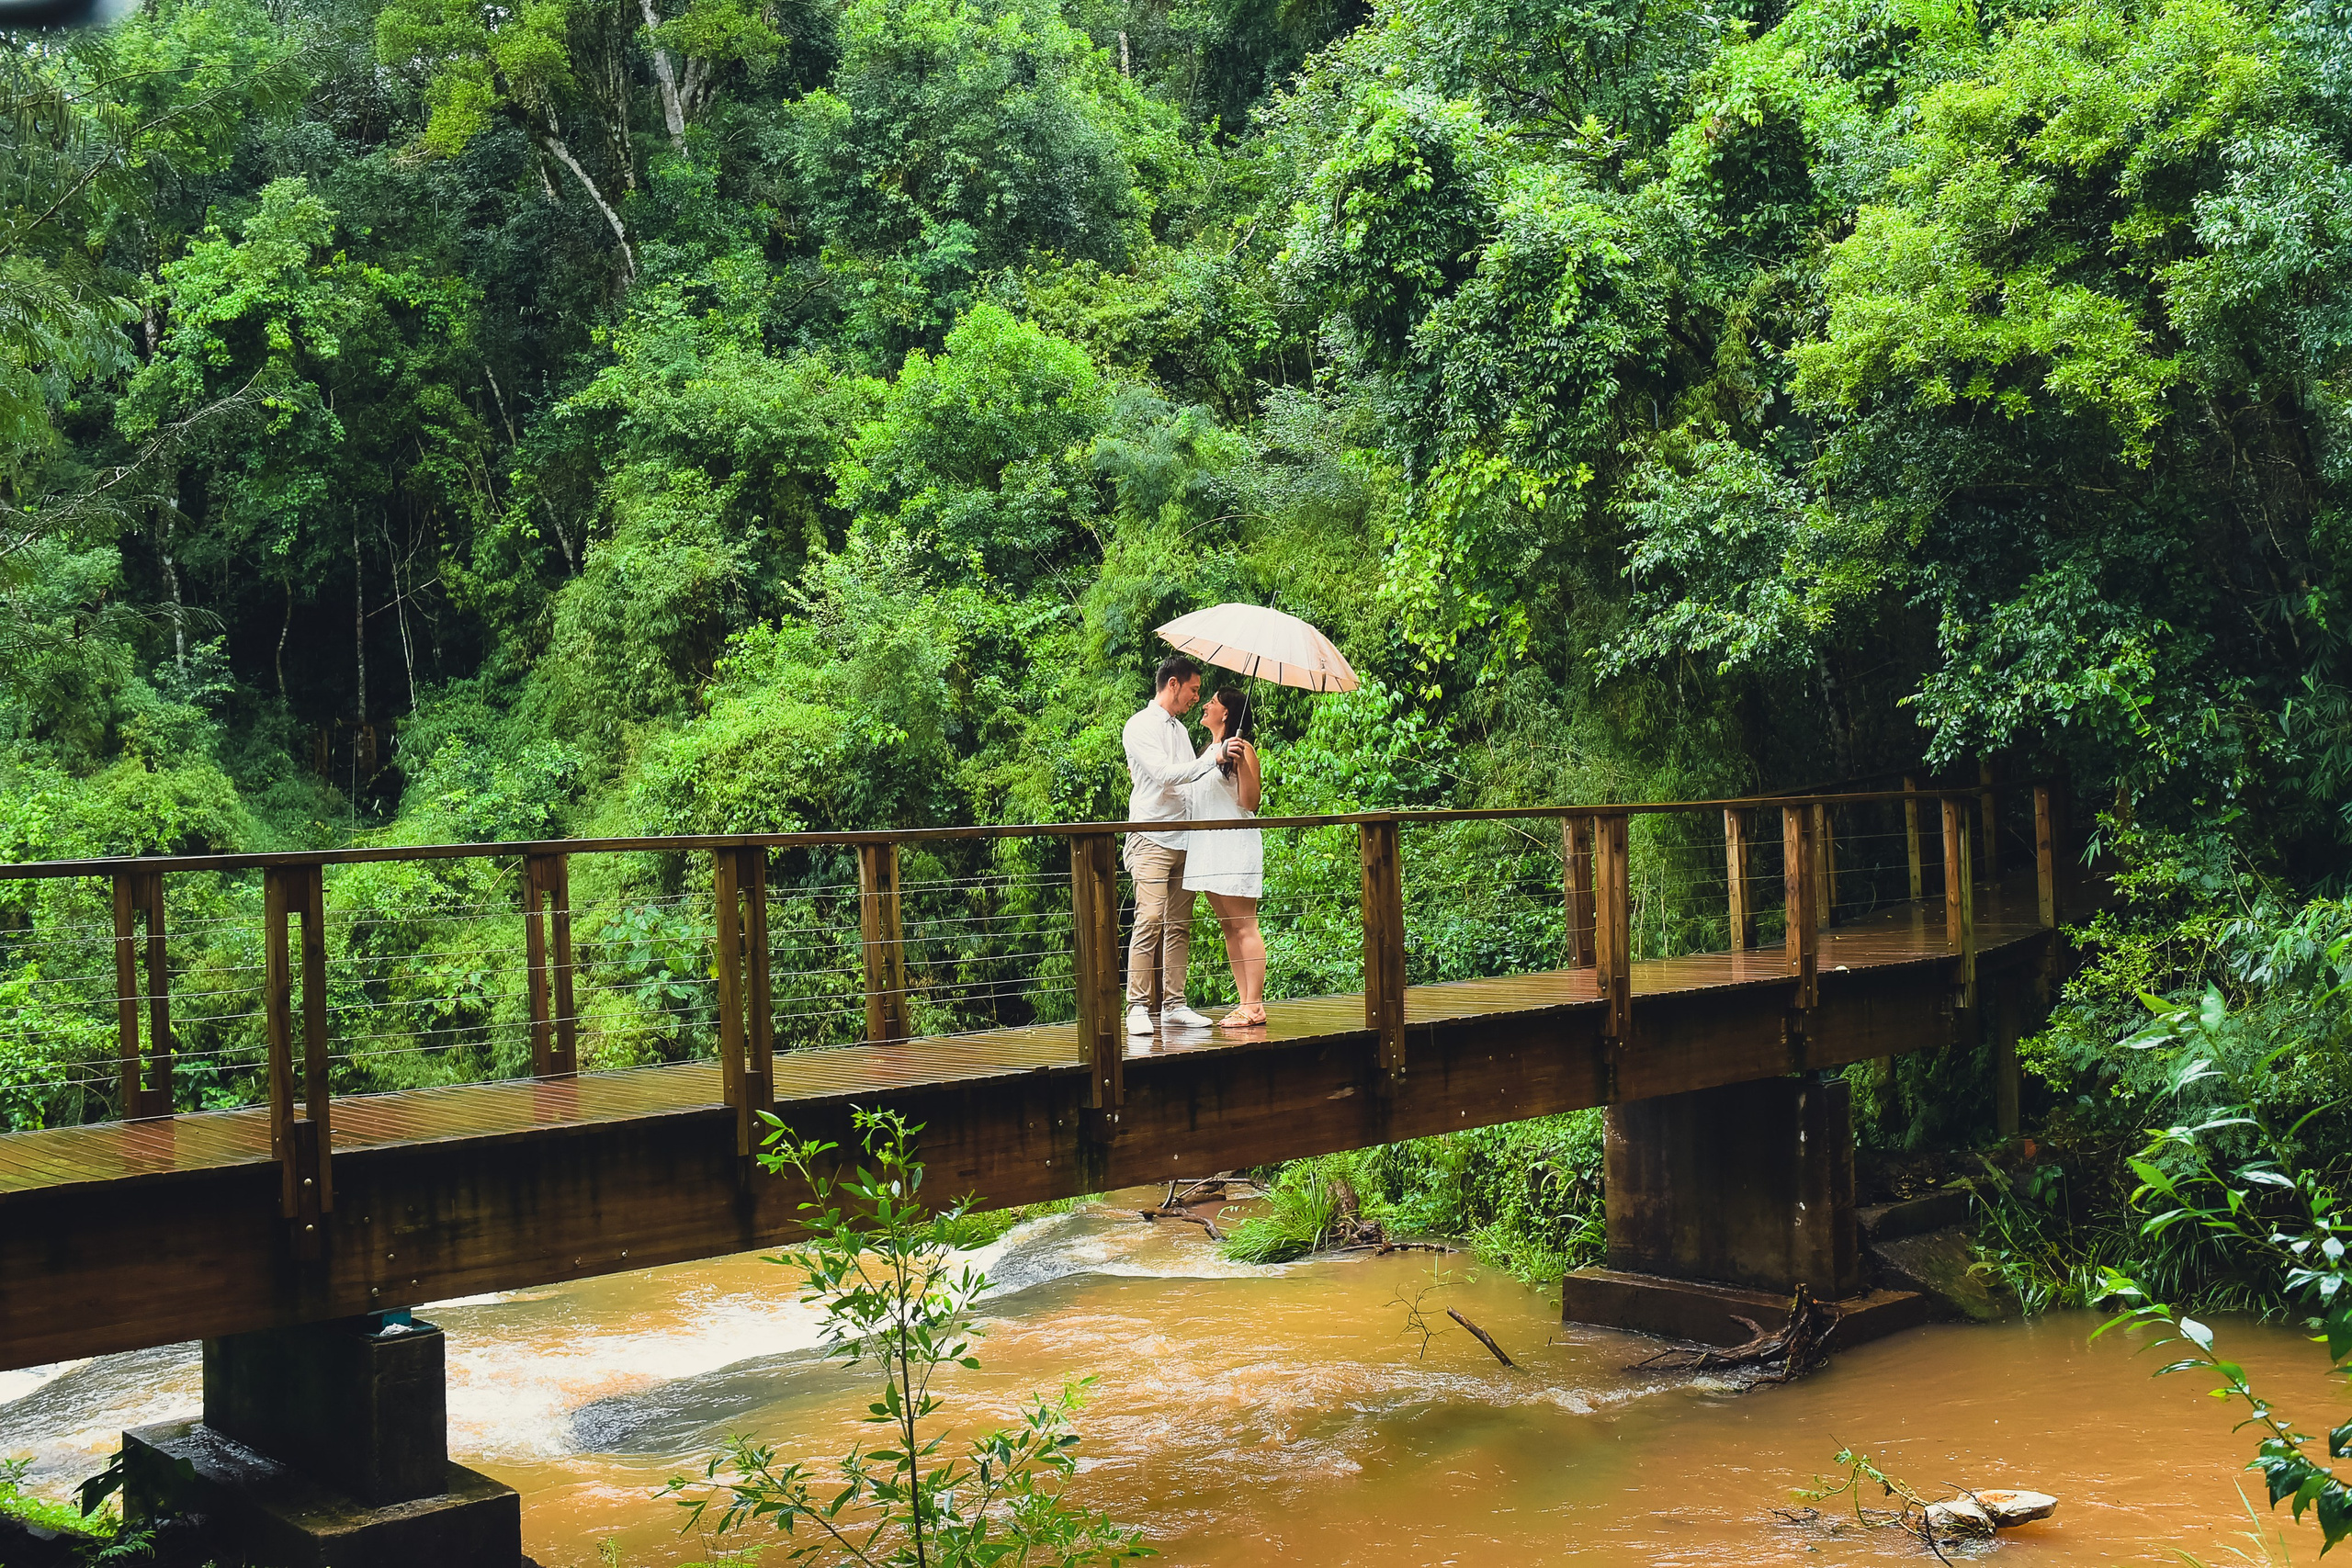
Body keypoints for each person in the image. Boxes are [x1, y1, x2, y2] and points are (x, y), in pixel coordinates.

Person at [1122, 654, 1233, 1034]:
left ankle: (1175, 1004)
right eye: (1193, 689)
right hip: (1151, 837)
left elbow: (1191, 784)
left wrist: (1219, 756)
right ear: (1173, 684)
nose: (1196, 698)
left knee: (1179, 925)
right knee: (1150, 918)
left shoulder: (1181, 731)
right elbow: (1165, 776)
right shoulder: (1139, 725)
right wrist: (1211, 757)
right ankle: (1137, 1006)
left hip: (1184, 839)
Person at [1183, 686, 1265, 1028]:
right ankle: (1244, 1002)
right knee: (1229, 928)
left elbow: (1250, 802)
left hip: (1234, 845)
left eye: (1213, 702)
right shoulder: (1207, 751)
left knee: (1244, 925)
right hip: (1208, 849)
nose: (1205, 705)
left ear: (1226, 712)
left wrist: (1241, 761)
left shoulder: (1243, 748)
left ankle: (1254, 1005)